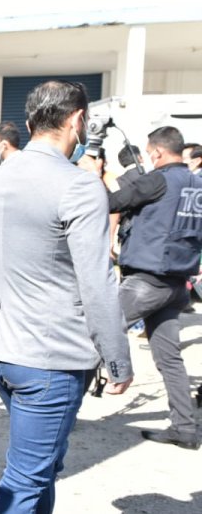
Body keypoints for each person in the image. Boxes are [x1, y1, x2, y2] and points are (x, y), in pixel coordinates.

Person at [0, 80, 133, 514]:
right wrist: (117, 359)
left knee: (39, 470)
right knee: (26, 479)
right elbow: (98, 282)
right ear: (78, 121)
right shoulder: (80, 186)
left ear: (29, 124)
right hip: (50, 358)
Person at [106, 126, 202, 450]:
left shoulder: (157, 179)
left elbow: (111, 202)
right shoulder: (198, 184)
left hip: (147, 280)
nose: (148, 159)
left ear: (158, 152)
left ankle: (58, 417)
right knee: (170, 359)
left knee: (93, 331)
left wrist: (95, 175)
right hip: (178, 285)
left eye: (149, 154)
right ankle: (184, 429)